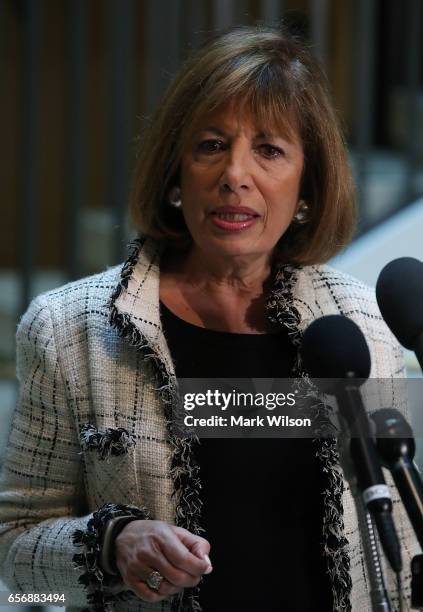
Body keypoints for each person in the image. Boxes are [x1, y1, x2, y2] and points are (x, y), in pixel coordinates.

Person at [0, 25, 417, 612]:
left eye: (268, 150)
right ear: (176, 176)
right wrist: (112, 544)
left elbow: (392, 543)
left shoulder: (361, 326)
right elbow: (17, 560)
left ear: (306, 190)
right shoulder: (69, 330)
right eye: (211, 145)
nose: (234, 176)